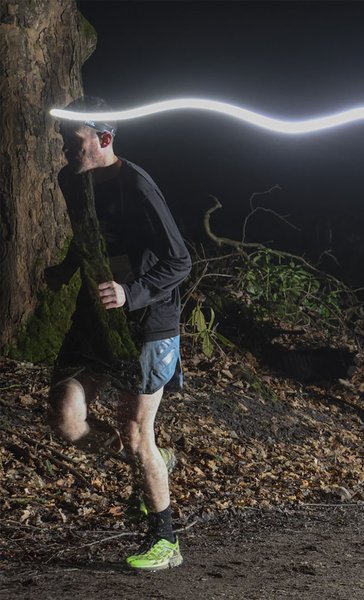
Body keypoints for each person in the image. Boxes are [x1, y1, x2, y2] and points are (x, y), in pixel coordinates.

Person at [45, 96, 191, 570]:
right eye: (65, 140)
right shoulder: (71, 179)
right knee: (66, 419)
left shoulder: (138, 186)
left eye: (77, 140)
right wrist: (68, 269)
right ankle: (151, 459)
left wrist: (132, 293)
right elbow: (88, 233)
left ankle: (165, 541)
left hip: (148, 324)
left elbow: (180, 261)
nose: (68, 148)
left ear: (106, 139)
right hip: (95, 319)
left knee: (135, 435)